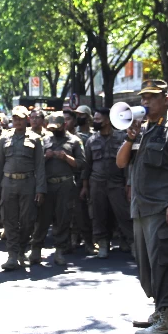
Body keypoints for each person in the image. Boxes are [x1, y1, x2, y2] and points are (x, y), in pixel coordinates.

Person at [115, 79, 168, 334]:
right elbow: (121, 162)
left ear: (166, 99)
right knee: (147, 264)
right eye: (143, 98)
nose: (146, 102)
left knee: (165, 263)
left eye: (152, 97)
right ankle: (160, 309)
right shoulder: (143, 129)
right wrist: (130, 138)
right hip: (141, 209)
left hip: (163, 209)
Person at [0, 105, 46, 270]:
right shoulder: (4, 138)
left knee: (28, 220)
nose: (17, 121)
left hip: (27, 183)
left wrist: (40, 189)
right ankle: (12, 255)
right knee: (9, 220)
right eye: (15, 118)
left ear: (26, 120)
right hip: (8, 183)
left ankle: (22, 248)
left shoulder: (35, 138)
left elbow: (40, 166)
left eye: (21, 119)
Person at [30, 111, 85, 265]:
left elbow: (81, 163)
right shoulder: (43, 140)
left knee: (63, 218)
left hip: (65, 184)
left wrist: (66, 157)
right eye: (51, 127)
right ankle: (36, 250)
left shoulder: (74, 141)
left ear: (64, 125)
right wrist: (45, 157)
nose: (54, 130)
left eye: (57, 127)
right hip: (47, 184)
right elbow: (35, 163)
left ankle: (59, 251)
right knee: (42, 218)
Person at [80, 107, 133, 258]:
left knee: (124, 214)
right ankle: (103, 243)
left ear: (107, 121)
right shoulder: (91, 140)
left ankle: (130, 242)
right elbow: (87, 165)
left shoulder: (121, 138)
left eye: (98, 119)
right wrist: (85, 186)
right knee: (98, 214)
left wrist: (128, 184)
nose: (95, 122)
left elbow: (127, 164)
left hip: (117, 183)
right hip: (97, 183)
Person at [64, 107, 93, 252]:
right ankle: (70, 241)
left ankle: (89, 242)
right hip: (63, 181)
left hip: (78, 179)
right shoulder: (58, 137)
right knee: (65, 214)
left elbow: (84, 163)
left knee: (81, 213)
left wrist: (84, 184)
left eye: (68, 119)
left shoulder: (80, 139)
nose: (65, 122)